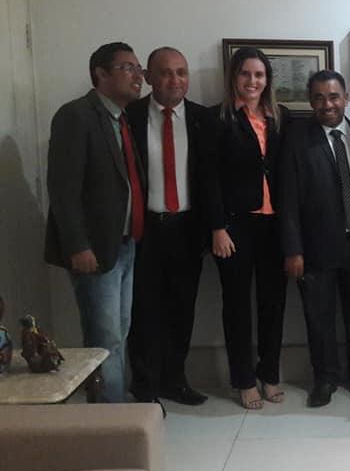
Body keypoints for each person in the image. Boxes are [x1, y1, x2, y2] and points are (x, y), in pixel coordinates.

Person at [45, 42, 145, 403]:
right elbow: (63, 188)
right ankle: (108, 418)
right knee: (104, 338)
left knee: (120, 331)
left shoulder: (120, 119)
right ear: (100, 74)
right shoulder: (76, 115)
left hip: (125, 242)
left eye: (138, 69)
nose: (137, 76)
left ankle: (115, 406)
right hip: (95, 248)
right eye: (127, 68)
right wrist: (78, 245)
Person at [279, 70, 350, 407]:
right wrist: (293, 249)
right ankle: (325, 378)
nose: (327, 104)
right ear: (310, 101)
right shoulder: (296, 139)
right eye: (318, 98)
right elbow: (288, 199)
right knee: (318, 317)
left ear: (346, 98)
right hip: (315, 246)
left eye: (334, 96)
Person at [203, 47, 288, 410]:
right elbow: (209, 178)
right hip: (235, 226)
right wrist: (217, 227)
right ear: (233, 77)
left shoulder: (279, 117)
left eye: (259, 75)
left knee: (274, 303)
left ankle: (269, 373)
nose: (252, 81)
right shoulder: (217, 118)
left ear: (267, 80)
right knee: (237, 304)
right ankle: (243, 379)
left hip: (274, 225)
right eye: (245, 74)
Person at [127, 47, 210, 406]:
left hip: (187, 229)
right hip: (145, 229)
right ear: (148, 77)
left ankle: (175, 380)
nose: (175, 80)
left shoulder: (203, 119)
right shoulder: (129, 116)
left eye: (181, 72)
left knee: (181, 309)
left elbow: (211, 179)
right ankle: (144, 386)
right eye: (165, 72)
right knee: (143, 310)